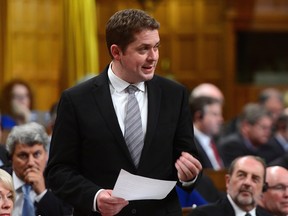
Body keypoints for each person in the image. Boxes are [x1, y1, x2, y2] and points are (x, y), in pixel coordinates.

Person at [45, 9, 202, 216]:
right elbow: (58, 172)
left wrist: (189, 176)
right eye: (143, 49)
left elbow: (186, 157)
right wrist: (95, 196)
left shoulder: (175, 94)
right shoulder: (76, 100)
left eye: (156, 47)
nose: (153, 57)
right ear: (116, 52)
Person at [5, 122, 73, 216]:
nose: (31, 162)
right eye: (23, 156)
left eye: (36, 154)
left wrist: (43, 193)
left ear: (46, 155)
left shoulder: (60, 183)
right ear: (11, 158)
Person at [189, 155, 270, 216]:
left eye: (255, 179)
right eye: (241, 175)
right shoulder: (203, 215)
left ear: (263, 188)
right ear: (228, 181)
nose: (247, 183)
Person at [0, 79, 50, 144]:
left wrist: (27, 118)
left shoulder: (38, 118)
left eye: (26, 96)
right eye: (17, 96)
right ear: (8, 99)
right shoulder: (4, 119)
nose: (22, 100)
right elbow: (8, 144)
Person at [189, 96, 224, 170]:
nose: (220, 119)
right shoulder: (189, 144)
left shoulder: (217, 141)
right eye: (215, 114)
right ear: (198, 116)